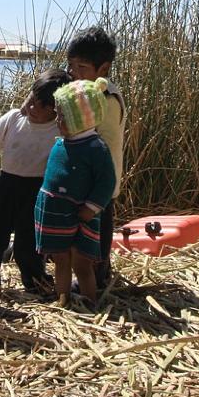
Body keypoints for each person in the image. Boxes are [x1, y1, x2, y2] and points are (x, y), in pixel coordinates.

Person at [0, 69, 71, 294]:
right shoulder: (14, 118)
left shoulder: (60, 130)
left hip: (37, 192)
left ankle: (35, 281)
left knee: (29, 244)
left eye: (44, 107)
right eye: (33, 100)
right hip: (6, 186)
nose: (34, 108)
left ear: (57, 109)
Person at [35, 78, 116, 306]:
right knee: (60, 259)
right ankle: (63, 300)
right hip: (57, 212)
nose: (57, 119)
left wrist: (92, 207)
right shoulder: (63, 142)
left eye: (62, 116)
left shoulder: (95, 148)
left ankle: (89, 302)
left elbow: (107, 181)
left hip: (81, 214)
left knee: (82, 262)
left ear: (80, 119)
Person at [66, 27, 125, 291]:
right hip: (80, 177)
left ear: (103, 69)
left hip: (102, 181)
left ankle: (99, 272)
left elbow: (108, 144)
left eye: (82, 67)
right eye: (70, 66)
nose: (74, 73)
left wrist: (100, 186)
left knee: (100, 229)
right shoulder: (81, 91)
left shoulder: (106, 99)